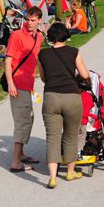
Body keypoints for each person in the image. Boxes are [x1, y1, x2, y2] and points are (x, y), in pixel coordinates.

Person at [38, 22, 89, 188]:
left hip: (51, 97)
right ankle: (70, 172)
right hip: (72, 97)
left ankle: (52, 177)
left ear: (51, 37)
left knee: (52, 137)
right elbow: (84, 74)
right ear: (66, 35)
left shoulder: (43, 54)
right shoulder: (74, 52)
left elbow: (44, 78)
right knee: (70, 135)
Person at [5, 6, 44, 172]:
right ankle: (16, 162)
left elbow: (36, 59)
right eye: (28, 19)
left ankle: (20, 154)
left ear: (39, 21)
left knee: (29, 119)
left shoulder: (39, 37)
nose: (29, 22)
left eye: (33, 20)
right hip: (17, 84)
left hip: (28, 85)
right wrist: (10, 83)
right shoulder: (16, 36)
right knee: (22, 121)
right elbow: (8, 61)